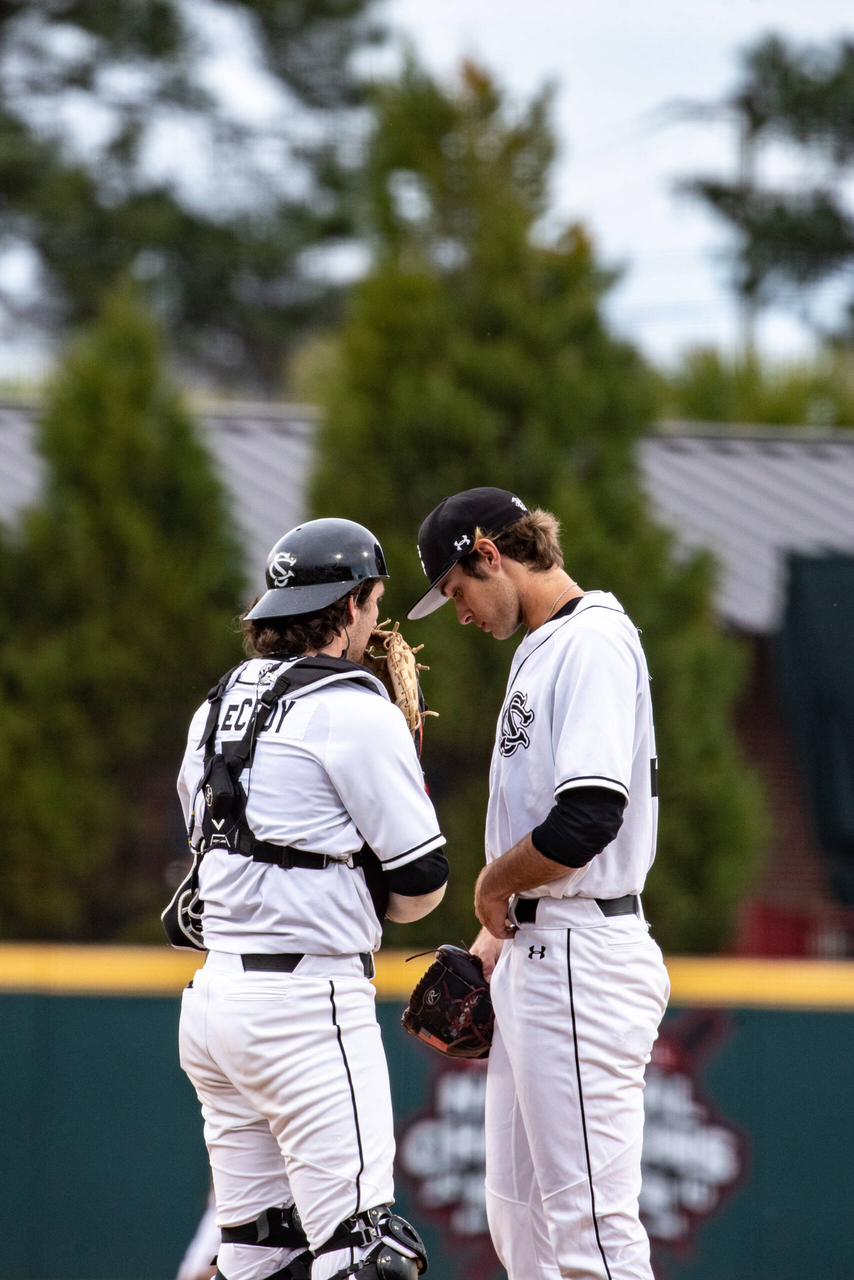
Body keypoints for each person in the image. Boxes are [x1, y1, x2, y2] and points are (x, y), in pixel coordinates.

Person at [175, 517, 448, 1280]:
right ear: (355, 601)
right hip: (305, 1007)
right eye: (375, 602)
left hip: (216, 1006)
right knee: (367, 1259)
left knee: (259, 1256)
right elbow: (421, 886)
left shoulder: (213, 708)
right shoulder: (355, 709)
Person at [407, 488, 669, 1280]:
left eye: (455, 589)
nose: (457, 612)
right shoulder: (544, 645)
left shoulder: (593, 642)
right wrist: (495, 935)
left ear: (489, 553)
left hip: (584, 954)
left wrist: (492, 886)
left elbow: (588, 818)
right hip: (538, 947)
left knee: (592, 1236)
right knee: (521, 1224)